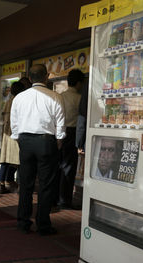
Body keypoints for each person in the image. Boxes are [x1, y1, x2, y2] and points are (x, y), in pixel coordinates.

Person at [10, 64, 65, 235]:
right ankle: (43, 225)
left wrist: (20, 140)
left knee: (25, 184)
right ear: (47, 76)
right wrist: (58, 142)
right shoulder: (55, 96)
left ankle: (23, 222)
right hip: (46, 142)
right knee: (46, 185)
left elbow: (14, 124)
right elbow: (60, 124)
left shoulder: (19, 98)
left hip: (25, 141)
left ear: (30, 77)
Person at [56, 69, 84, 209]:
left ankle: (55, 197)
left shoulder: (59, 96)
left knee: (58, 166)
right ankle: (65, 200)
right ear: (79, 83)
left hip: (58, 132)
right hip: (72, 133)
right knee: (68, 167)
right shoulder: (79, 98)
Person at [0, 81, 25, 194]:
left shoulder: (8, 101)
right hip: (15, 134)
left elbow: (4, 117)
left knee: (6, 159)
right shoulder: (19, 101)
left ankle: (3, 182)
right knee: (17, 160)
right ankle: (10, 182)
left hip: (6, 133)